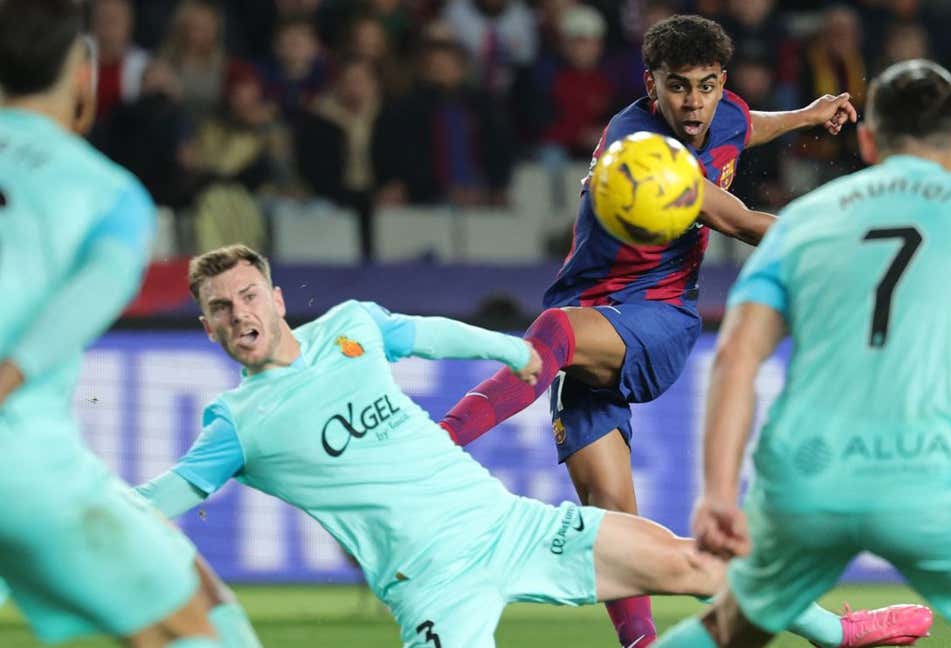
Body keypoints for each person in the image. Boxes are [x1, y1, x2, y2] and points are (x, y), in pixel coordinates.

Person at [437, 13, 929, 648]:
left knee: (554, 331)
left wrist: (808, 114)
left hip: (656, 320)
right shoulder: (636, 145)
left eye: (706, 85)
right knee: (613, 526)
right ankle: (824, 633)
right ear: (651, 85)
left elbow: (746, 128)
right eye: (677, 86)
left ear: (722, 81)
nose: (693, 103)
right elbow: (748, 224)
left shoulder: (723, 112)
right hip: (594, 322)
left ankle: (438, 441)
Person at [657, 59, 951, 648]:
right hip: (935, 475)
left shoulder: (803, 221)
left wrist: (716, 491)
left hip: (807, 476)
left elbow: (735, 356)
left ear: (867, 140)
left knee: (730, 627)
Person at [134, 244, 727, 648]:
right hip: (433, 588)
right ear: (208, 328)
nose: (240, 314)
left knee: (689, 563)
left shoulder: (350, 325)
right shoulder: (236, 425)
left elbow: (428, 335)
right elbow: (157, 501)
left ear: (277, 299)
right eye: (221, 308)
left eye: (249, 295)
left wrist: (510, 350)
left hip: (509, 526)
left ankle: (826, 631)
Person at [0, 2, 257, 646]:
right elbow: (74, 312)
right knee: (204, 626)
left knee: (193, 585)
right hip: (25, 466)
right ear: (84, 76)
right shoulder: (107, 195)